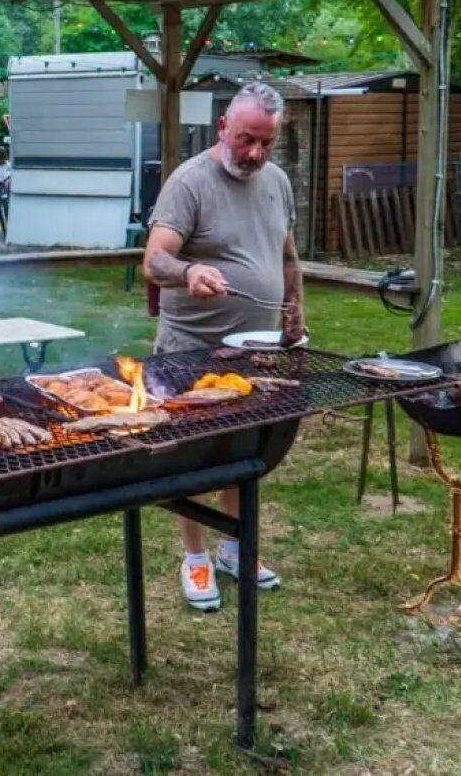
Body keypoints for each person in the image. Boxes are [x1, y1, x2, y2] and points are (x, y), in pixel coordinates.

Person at [142, 81, 306, 611]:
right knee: (192, 455)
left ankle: (236, 546)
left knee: (247, 448)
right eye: (245, 140)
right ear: (222, 129)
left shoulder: (276, 181)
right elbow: (154, 261)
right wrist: (188, 271)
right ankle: (195, 559)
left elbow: (286, 255)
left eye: (265, 143)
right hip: (192, 347)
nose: (255, 153)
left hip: (255, 351)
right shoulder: (189, 183)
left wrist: (295, 307)